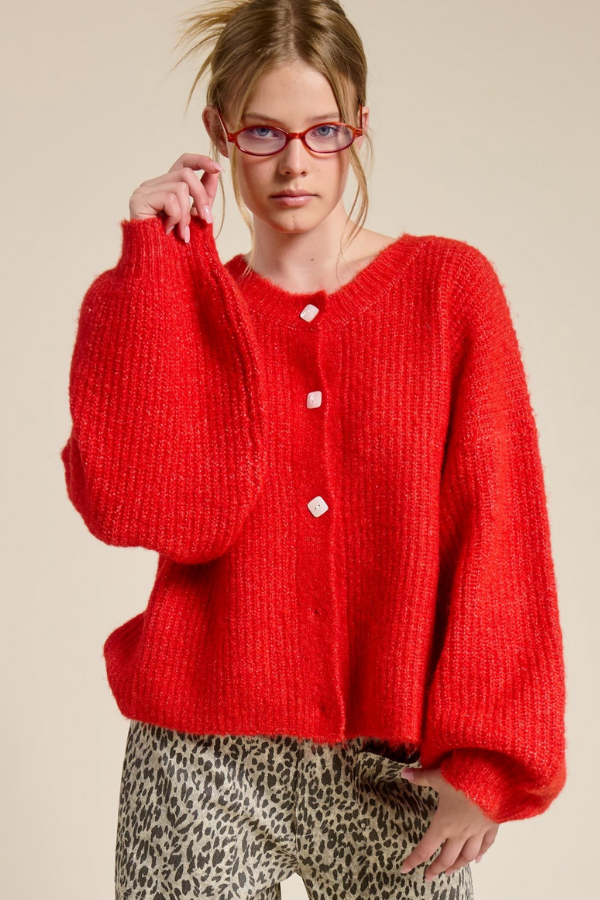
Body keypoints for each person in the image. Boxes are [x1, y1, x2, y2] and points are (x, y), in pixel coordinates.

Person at [60, 2, 567, 898]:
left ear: (357, 128)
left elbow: (499, 522)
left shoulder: (448, 290)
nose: (295, 162)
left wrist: (489, 762)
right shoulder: (189, 311)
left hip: (395, 765)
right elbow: (134, 508)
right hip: (201, 759)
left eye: (323, 131)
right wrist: (151, 272)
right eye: (263, 131)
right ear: (220, 133)